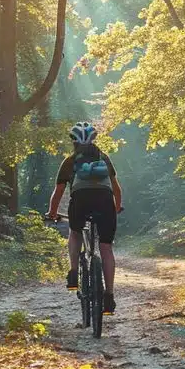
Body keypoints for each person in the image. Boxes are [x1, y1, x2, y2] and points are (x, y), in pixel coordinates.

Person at [46, 122, 122, 315]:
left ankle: (73, 274)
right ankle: (109, 296)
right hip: (105, 201)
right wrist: (117, 206)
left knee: (75, 230)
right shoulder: (104, 158)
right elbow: (115, 187)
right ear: (94, 140)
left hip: (80, 201)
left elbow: (59, 192)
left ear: (73, 142)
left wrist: (52, 213)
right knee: (106, 247)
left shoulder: (70, 161)